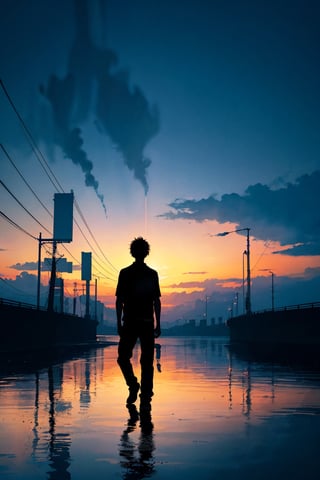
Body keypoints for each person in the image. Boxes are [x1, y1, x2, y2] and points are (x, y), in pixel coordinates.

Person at [116, 237, 161, 410]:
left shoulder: (125, 273)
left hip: (130, 323)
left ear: (132, 252)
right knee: (147, 361)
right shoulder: (152, 274)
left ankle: (134, 385)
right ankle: (146, 396)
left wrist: (118, 323)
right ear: (146, 252)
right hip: (147, 323)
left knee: (123, 357)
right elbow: (156, 301)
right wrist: (158, 323)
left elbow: (119, 301)